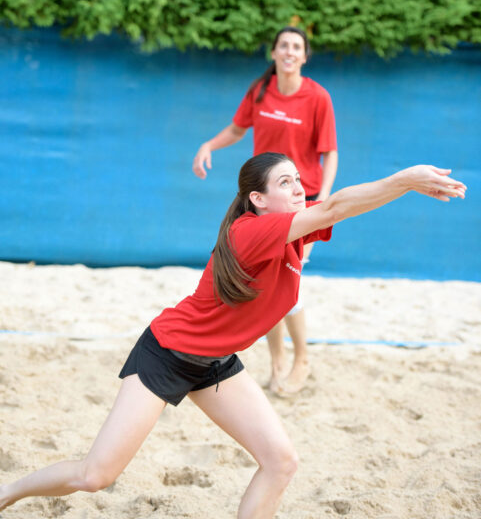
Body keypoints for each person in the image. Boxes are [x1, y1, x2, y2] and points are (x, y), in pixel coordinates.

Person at [0, 152, 466, 518]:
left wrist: (401, 187)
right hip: (166, 354)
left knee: (281, 462)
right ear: (258, 199)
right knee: (95, 475)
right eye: (285, 183)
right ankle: (8, 492)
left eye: (298, 180)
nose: (298, 188)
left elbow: (342, 207)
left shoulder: (292, 234)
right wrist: (406, 180)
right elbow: (339, 203)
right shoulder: (253, 231)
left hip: (217, 362)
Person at [193, 26, 338, 395]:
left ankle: (301, 357)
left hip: (301, 201)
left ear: (305, 56)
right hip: (266, 203)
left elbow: (329, 152)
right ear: (273, 53)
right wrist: (209, 145)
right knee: (264, 280)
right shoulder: (260, 91)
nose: (289, 52)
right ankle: (276, 362)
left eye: (297, 47)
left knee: (291, 280)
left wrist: (322, 200)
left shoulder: (318, 97)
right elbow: (237, 129)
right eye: (283, 46)